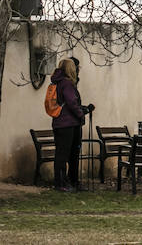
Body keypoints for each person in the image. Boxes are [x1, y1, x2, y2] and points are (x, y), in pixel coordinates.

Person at [49, 57, 92, 192]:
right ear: (70, 69)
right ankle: (62, 183)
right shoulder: (66, 84)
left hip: (61, 123)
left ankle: (66, 182)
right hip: (68, 124)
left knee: (64, 153)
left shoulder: (59, 82)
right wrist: (81, 113)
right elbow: (72, 103)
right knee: (65, 154)